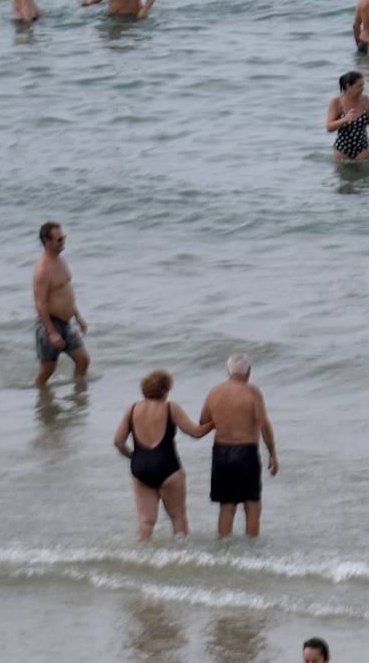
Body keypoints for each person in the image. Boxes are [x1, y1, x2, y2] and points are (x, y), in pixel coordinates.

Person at [112, 369, 213, 540]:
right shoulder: (170, 408)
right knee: (177, 517)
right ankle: (182, 555)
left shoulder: (133, 409)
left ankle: (141, 557)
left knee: (146, 521)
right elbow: (195, 432)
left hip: (141, 467)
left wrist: (131, 455)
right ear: (165, 389)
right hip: (168, 467)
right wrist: (214, 422)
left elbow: (118, 441)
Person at [199, 353, 278, 537]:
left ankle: (224, 550)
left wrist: (222, 418)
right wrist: (272, 453)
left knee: (227, 506)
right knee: (252, 505)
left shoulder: (214, 392)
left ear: (228, 371)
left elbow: (204, 420)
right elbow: (263, 424)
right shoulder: (252, 392)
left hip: (220, 452)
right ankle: (251, 553)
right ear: (249, 372)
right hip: (245, 452)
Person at [32, 221, 91, 386]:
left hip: (66, 322)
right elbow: (40, 303)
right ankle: (40, 395)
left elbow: (65, 294)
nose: (63, 242)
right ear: (47, 241)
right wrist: (51, 332)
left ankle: (78, 396)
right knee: (48, 369)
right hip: (50, 324)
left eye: (64, 238)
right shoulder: (43, 269)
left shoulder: (61, 261)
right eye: (59, 240)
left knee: (83, 360)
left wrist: (78, 316)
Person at [326, 70, 369, 162]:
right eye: (359, 86)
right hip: (342, 149)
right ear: (348, 86)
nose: (363, 88)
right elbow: (329, 127)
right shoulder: (337, 102)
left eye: (363, 85)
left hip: (363, 147)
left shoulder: (365, 99)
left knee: (366, 176)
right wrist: (345, 119)